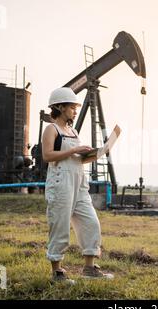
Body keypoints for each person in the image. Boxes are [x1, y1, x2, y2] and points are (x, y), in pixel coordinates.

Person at [41, 87, 114, 283]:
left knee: (91, 223)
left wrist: (92, 154)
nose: (74, 111)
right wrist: (77, 150)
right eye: (72, 107)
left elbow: (76, 160)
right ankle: (57, 272)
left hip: (79, 182)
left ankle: (89, 269)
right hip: (60, 182)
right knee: (60, 226)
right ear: (60, 107)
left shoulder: (72, 131)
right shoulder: (52, 129)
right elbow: (47, 156)